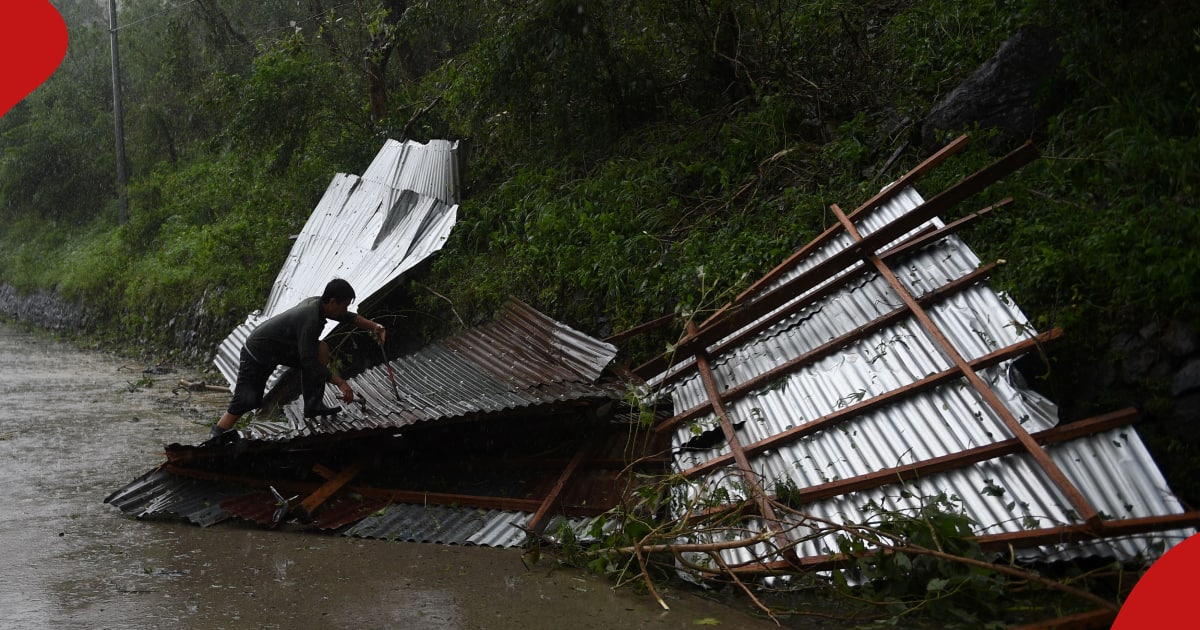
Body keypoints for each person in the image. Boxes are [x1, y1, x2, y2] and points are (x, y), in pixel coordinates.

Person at [206, 278, 386, 443]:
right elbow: (308, 362)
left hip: (276, 351)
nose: (345, 310)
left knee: (321, 349)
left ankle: (313, 405)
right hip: (257, 354)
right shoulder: (311, 320)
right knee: (247, 401)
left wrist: (375, 327)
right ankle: (215, 435)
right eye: (344, 305)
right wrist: (340, 382)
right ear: (332, 302)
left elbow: (348, 317)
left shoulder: (320, 304)